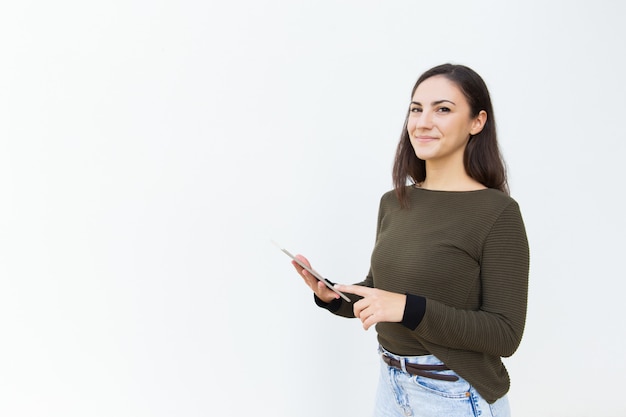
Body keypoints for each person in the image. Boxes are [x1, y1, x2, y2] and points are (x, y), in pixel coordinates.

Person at [291, 63, 529, 417]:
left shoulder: (497, 213)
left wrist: (408, 308)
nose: (422, 122)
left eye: (443, 109)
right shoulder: (394, 201)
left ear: (477, 122)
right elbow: (379, 289)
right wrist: (334, 296)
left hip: (454, 395)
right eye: (416, 109)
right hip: (391, 385)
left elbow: (505, 334)